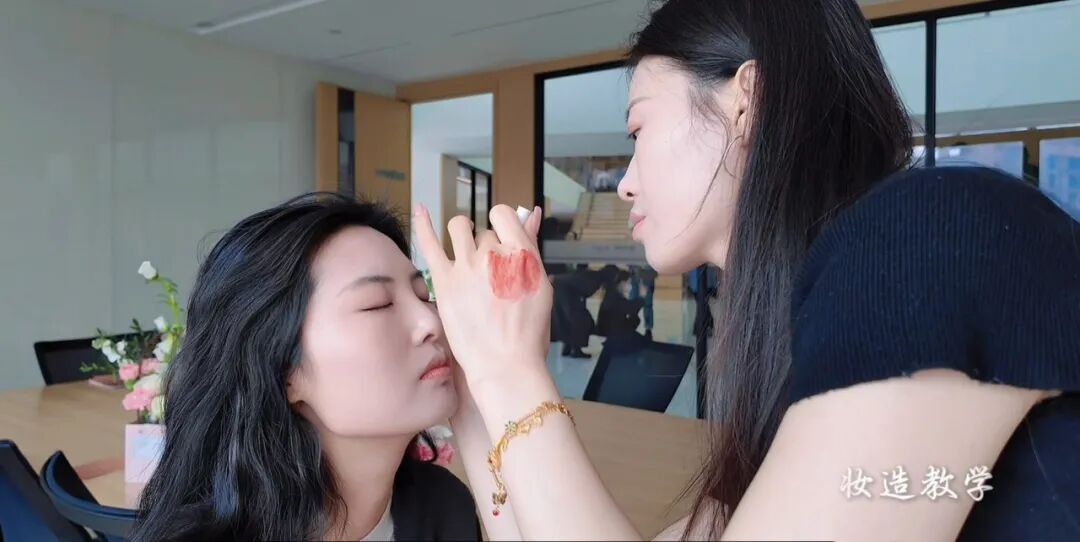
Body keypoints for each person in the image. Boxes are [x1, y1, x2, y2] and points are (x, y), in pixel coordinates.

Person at [412, 0, 1080, 540]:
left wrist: (512, 373)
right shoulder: (795, 351)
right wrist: (472, 385)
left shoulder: (924, 236)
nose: (626, 182)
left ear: (747, 100)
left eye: (638, 131)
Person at [131, 194, 480, 541]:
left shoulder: (447, 509)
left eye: (423, 296)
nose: (430, 322)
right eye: (377, 305)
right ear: (285, 371)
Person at [596, 268, 645, 338]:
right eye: (628, 282)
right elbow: (630, 308)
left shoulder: (612, 294)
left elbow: (630, 309)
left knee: (635, 319)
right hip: (610, 333)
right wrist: (642, 297)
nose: (630, 286)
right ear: (622, 283)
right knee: (634, 320)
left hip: (610, 331)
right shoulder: (614, 297)